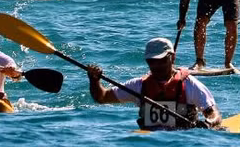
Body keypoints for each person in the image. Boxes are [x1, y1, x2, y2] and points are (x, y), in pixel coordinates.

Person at [86, 37, 222, 131]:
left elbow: (214, 114)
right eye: (151, 61)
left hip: (184, 139)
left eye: (161, 60)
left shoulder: (190, 85)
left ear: (172, 57)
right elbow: (102, 98)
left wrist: (208, 123)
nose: (156, 66)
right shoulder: (138, 85)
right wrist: (94, 80)